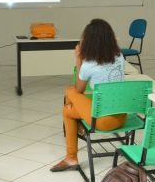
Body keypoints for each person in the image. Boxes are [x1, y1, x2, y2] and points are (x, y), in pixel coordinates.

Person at [50, 18, 125, 172]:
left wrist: (79, 59)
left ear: (89, 41)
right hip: (122, 116)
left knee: (69, 95)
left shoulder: (89, 65)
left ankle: (71, 157)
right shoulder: (119, 57)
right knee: (71, 103)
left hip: (103, 121)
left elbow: (79, 90)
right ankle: (79, 129)